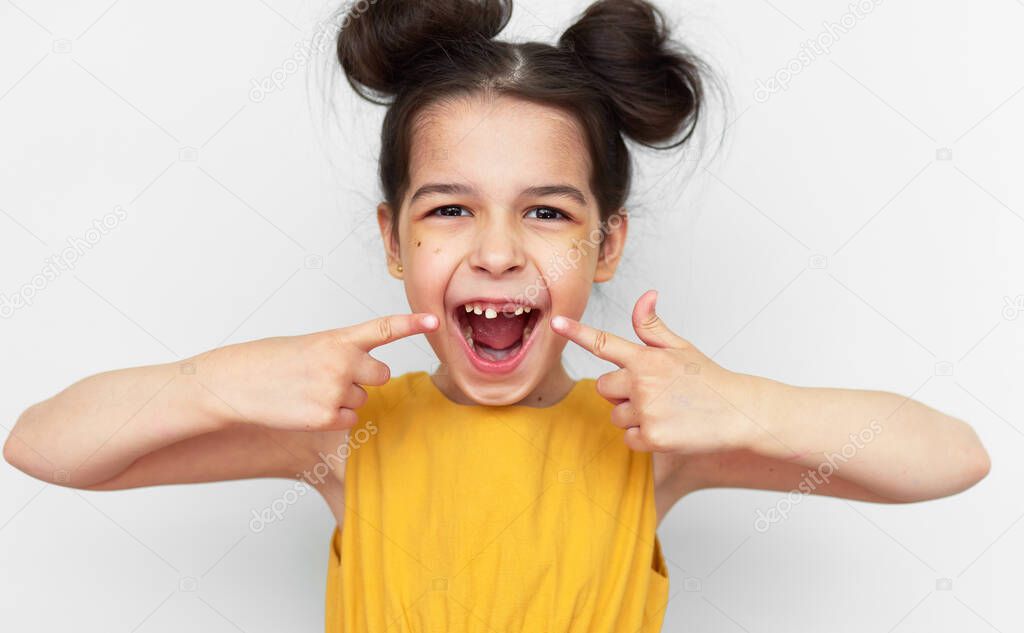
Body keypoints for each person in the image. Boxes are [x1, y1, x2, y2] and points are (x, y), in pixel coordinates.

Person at [4, 1, 990, 631]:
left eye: (547, 212)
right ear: (393, 240)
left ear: (606, 245)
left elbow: (949, 459)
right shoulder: (350, 434)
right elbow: (46, 447)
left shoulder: (651, 438)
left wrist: (747, 407)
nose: (496, 250)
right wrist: (205, 383)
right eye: (449, 209)